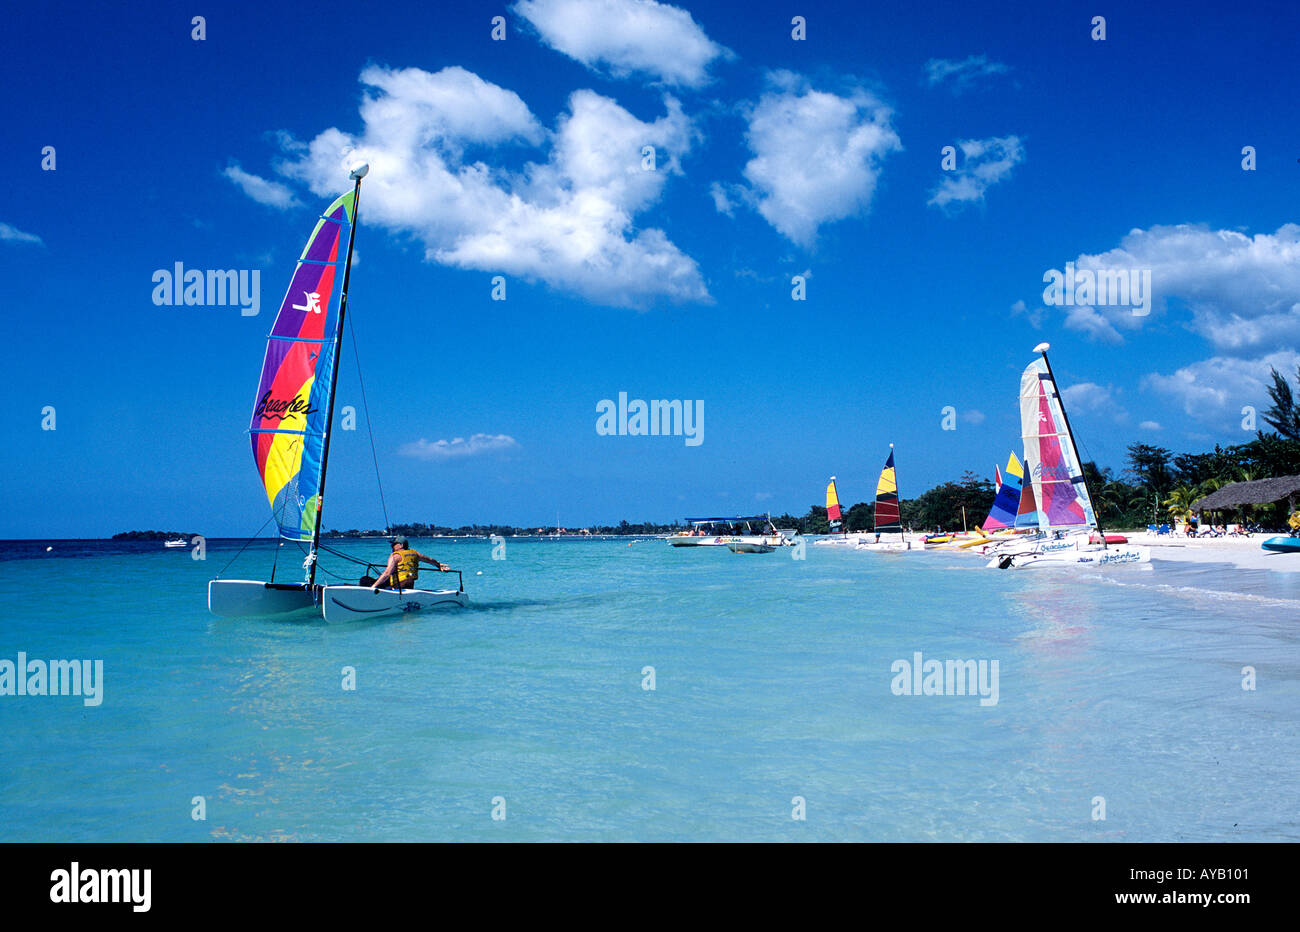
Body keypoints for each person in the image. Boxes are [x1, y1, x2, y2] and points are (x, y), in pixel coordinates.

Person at [371, 536, 450, 592]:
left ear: (401, 545)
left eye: (394, 544)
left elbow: (387, 573)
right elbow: (429, 560)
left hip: (398, 586)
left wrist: (373, 587)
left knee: (367, 581)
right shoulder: (415, 553)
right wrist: (439, 565)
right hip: (409, 584)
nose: (392, 546)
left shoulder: (395, 556)